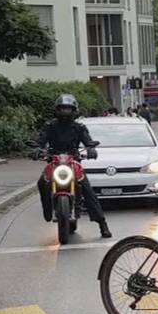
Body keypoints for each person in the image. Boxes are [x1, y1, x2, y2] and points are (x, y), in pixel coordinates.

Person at [35, 95, 111, 238]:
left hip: (73, 161)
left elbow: (88, 141)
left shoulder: (79, 127)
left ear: (74, 110)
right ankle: (48, 211)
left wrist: (90, 148)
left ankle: (102, 224)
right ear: (57, 110)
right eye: (63, 108)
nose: (65, 112)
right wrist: (37, 150)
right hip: (54, 161)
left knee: (87, 190)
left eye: (68, 109)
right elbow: (41, 140)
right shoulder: (50, 126)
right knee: (42, 182)